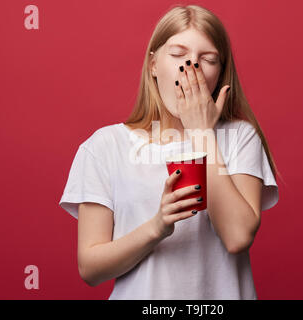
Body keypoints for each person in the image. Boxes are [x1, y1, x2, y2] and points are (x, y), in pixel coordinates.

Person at [59, 4, 281, 300]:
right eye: (178, 54)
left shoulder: (240, 138)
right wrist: (156, 228)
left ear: (220, 73)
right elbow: (90, 268)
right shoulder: (106, 146)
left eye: (209, 59)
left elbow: (238, 236)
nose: (192, 66)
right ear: (153, 65)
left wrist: (201, 134)